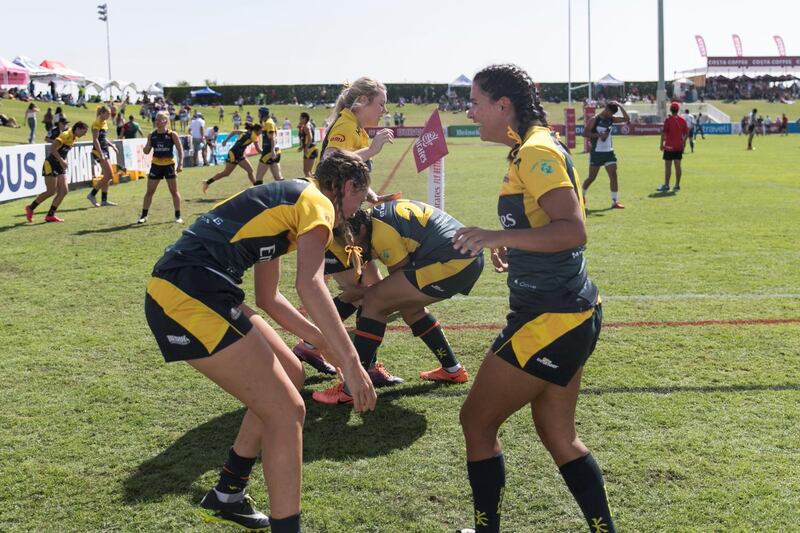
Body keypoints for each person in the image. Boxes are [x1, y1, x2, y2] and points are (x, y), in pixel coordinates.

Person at [144, 151, 377, 532]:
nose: (353, 211)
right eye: (358, 198)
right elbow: (311, 284)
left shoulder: (291, 202)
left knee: (291, 372)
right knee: (287, 412)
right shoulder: (318, 204)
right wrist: (350, 362)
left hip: (198, 288)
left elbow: (270, 298)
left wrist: (328, 346)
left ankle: (228, 493)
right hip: (186, 294)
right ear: (347, 187)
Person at [454, 64, 614, 533]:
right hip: (567, 312)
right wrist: (512, 241)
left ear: (503, 106)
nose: (470, 111)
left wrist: (488, 235)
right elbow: (545, 226)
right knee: (559, 436)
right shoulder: (527, 148)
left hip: (552, 319)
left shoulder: (535, 151)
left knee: (476, 422)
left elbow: (572, 230)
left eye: (476, 102)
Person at [312, 199, 483, 405]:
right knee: (410, 308)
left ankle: (351, 389)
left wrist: (362, 295)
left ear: (362, 229)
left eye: (352, 243)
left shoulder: (382, 232)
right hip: (465, 257)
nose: (353, 249)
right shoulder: (375, 220)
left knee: (375, 301)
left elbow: (395, 281)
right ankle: (453, 370)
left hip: (454, 260)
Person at [320, 77, 399, 204]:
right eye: (381, 104)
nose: (385, 110)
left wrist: (370, 195)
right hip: (331, 210)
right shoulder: (347, 125)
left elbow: (348, 172)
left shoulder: (356, 127)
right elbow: (329, 163)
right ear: (363, 100)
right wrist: (370, 150)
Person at [25, 121, 90, 223]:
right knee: (51, 191)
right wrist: (61, 161)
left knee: (64, 191)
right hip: (50, 164)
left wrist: (62, 162)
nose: (85, 134)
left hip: (59, 165)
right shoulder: (66, 135)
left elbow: (62, 151)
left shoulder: (73, 137)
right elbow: (52, 148)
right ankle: (30, 208)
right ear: (78, 128)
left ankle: (50, 215)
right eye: (84, 131)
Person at [137, 111, 184, 225]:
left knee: (174, 191)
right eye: (156, 119)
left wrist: (180, 163)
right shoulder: (152, 135)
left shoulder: (172, 134)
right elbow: (146, 151)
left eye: (160, 119)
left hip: (169, 166)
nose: (157, 121)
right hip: (156, 166)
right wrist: (147, 145)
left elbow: (180, 149)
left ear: (165, 121)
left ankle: (178, 216)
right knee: (150, 191)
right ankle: (144, 216)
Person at [581, 101, 630, 209]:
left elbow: (626, 119)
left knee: (613, 175)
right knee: (591, 177)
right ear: (606, 109)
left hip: (609, 152)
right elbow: (585, 133)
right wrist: (599, 135)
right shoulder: (595, 119)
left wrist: (620, 106)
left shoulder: (611, 119)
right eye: (611, 113)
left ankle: (614, 201)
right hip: (597, 153)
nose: (612, 116)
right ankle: (581, 195)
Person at [202, 123, 263, 193]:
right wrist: (266, 153)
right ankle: (207, 182)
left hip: (237, 154)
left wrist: (226, 140)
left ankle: (256, 188)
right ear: (256, 130)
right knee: (228, 173)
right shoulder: (254, 136)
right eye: (261, 131)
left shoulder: (246, 131)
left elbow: (234, 132)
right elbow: (258, 149)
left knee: (247, 171)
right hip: (234, 154)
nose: (261, 133)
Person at [86, 106, 120, 207]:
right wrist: (100, 152)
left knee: (107, 177)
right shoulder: (97, 123)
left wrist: (112, 145)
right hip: (99, 151)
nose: (110, 115)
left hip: (105, 150)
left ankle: (104, 200)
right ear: (102, 113)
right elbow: (95, 139)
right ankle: (92, 194)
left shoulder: (104, 123)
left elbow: (103, 138)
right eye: (108, 113)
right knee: (109, 175)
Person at [657, 101, 689, 193]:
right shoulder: (682, 120)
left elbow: (663, 133)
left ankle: (667, 185)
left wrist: (661, 144)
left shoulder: (668, 120)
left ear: (670, 110)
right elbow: (686, 133)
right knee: (678, 166)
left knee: (668, 167)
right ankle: (677, 185)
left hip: (669, 147)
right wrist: (683, 143)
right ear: (678, 110)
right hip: (678, 146)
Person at [255, 109, 284, 183]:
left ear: (263, 115)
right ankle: (284, 193)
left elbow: (273, 137)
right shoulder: (267, 122)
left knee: (258, 178)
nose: (258, 115)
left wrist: (272, 151)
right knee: (278, 177)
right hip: (273, 151)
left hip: (269, 152)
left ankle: (259, 194)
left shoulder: (269, 123)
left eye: (259, 114)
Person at [297, 112, 318, 177]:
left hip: (310, 150)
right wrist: (302, 147)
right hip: (312, 149)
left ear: (305, 118)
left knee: (306, 171)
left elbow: (310, 138)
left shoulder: (307, 126)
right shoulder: (308, 125)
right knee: (309, 171)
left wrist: (306, 147)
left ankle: (310, 185)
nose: (299, 119)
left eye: (300, 118)